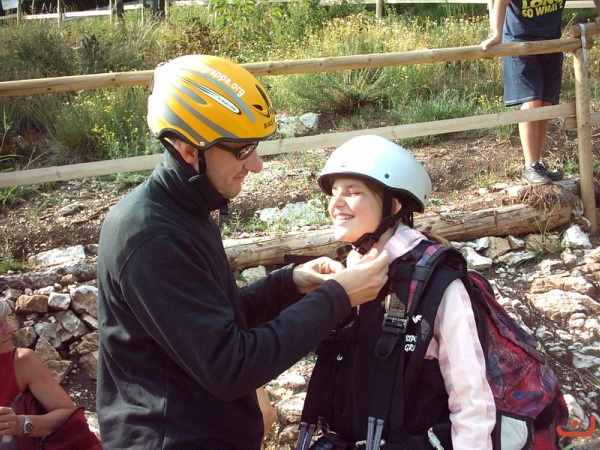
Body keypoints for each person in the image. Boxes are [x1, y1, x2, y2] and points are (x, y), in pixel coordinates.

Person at [96, 54, 390, 449]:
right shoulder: (151, 237)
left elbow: (214, 321)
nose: (256, 165)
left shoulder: (186, 210)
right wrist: (337, 297)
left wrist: (288, 284)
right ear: (188, 149)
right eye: (242, 150)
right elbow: (230, 365)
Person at [297, 135, 495, 449]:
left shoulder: (436, 283)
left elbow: (471, 396)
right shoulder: (342, 273)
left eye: (353, 192)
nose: (335, 205)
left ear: (394, 205)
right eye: (334, 193)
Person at [481, 0, 600, 185]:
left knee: (546, 104)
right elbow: (501, 2)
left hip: (551, 44)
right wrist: (497, 34)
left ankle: (537, 164)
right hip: (520, 43)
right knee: (532, 101)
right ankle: (529, 166)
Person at [0, 300, 77, 449]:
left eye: (6, 321)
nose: (9, 329)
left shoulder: (22, 362)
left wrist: (21, 424)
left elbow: (68, 415)